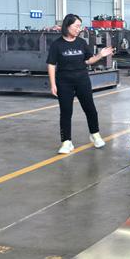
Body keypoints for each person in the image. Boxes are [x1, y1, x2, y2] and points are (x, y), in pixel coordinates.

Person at [47, 14, 114, 154]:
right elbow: (51, 64)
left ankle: (95, 134)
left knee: (90, 108)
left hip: (82, 80)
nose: (79, 29)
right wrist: (53, 84)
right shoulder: (57, 44)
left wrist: (100, 55)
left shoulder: (81, 43)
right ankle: (66, 142)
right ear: (67, 26)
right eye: (77, 26)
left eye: (80, 26)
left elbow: (88, 60)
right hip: (64, 82)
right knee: (66, 112)